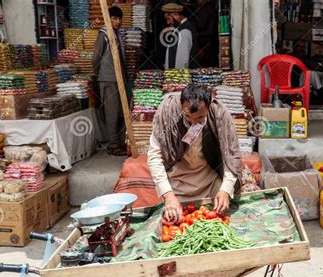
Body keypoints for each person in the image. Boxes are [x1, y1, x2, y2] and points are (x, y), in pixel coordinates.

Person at [147, 84, 241, 225]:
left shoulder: (220, 113)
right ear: (181, 105)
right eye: (188, 117)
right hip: (177, 184)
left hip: (210, 180)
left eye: (200, 118)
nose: (193, 122)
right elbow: (154, 156)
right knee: (174, 224)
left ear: (209, 107)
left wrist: (225, 190)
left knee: (226, 221)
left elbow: (232, 155)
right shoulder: (167, 112)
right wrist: (168, 195)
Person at [92, 6, 128, 156]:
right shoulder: (104, 34)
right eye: (114, 18)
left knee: (121, 111)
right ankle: (112, 145)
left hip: (120, 79)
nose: (118, 22)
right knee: (111, 112)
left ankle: (120, 142)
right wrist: (98, 72)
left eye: (120, 19)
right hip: (108, 79)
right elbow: (95, 57)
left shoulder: (117, 34)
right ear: (109, 18)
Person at [162, 2, 199, 69]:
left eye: (168, 19)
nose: (168, 22)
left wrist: (178, 78)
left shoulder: (184, 31)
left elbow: (182, 59)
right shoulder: (178, 29)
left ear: (176, 15)